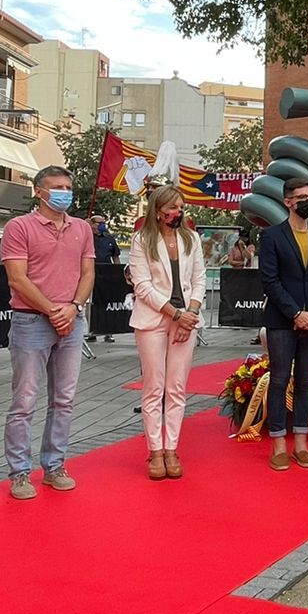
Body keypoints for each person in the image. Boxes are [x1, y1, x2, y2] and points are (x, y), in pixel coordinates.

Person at [1, 165, 94, 500]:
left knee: (64, 399)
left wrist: (74, 307)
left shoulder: (82, 228)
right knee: (25, 400)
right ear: (39, 191)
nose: (64, 192)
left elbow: (87, 273)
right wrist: (53, 310)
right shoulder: (18, 227)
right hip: (31, 322)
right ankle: (20, 473)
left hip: (71, 320)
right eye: (56, 186)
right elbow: (17, 278)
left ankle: (54, 465)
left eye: (68, 186)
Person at [260, 176, 308, 471]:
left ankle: (301, 443)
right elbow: (270, 280)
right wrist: (295, 313)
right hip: (282, 321)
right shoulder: (271, 236)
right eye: (302, 197)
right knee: (279, 381)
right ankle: (279, 444)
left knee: (305, 382)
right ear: (288, 201)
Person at [129, 182, 204, 481]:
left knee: (176, 388)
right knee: (154, 387)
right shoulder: (141, 240)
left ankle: (172, 448)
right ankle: (155, 451)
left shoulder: (192, 239)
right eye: (172, 207)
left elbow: (199, 278)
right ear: (158, 211)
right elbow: (142, 286)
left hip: (187, 318)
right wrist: (176, 314)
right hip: (152, 320)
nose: (178, 212)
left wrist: (191, 314)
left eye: (181, 206)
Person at [85, 213, 121, 342]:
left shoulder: (109, 238)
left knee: (107, 303)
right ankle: (92, 330)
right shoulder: (87, 237)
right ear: (92, 224)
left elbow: (115, 256)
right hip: (90, 273)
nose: (102, 225)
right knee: (90, 302)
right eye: (99, 223)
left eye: (103, 223)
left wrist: (118, 272)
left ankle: (108, 331)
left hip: (106, 274)